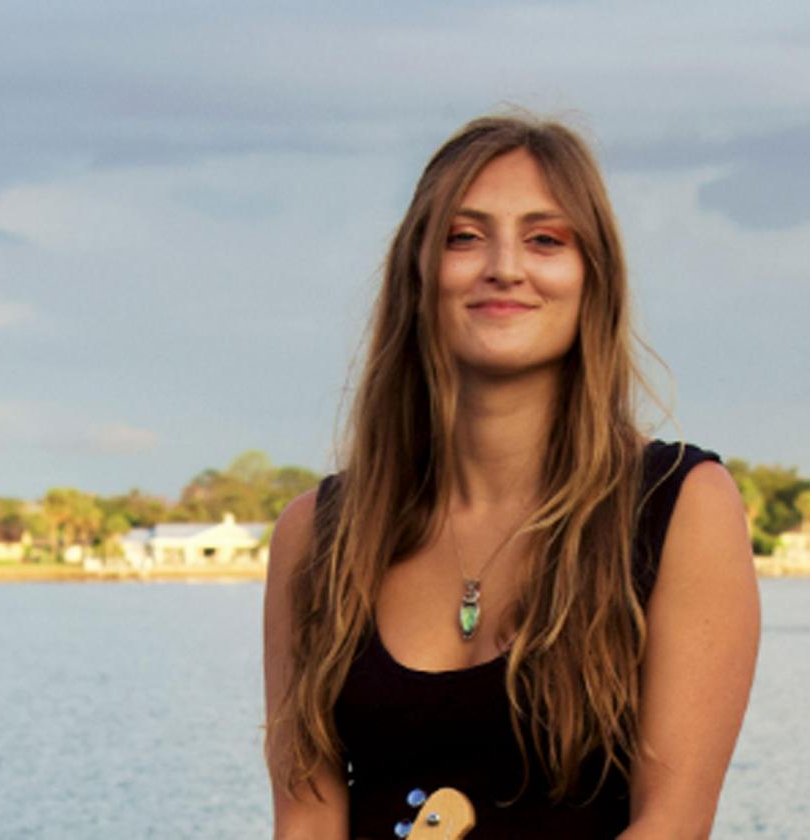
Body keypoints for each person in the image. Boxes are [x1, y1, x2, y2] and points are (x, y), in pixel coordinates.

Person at [264, 114, 760, 839]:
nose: (504, 266)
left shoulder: (681, 507)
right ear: (419, 272)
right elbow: (305, 823)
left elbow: (672, 824)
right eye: (465, 237)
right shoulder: (315, 535)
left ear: (593, 278)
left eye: (545, 239)